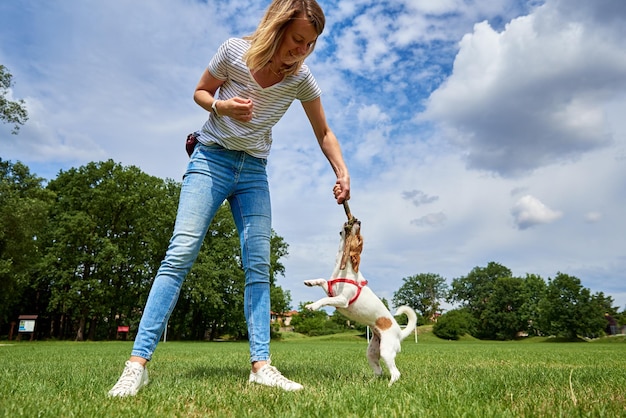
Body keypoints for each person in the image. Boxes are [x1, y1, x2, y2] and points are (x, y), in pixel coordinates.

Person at [108, 0, 350, 397]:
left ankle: (261, 365)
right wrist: (222, 105)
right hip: (211, 159)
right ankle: (137, 365)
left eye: (310, 44)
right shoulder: (234, 52)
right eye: (296, 40)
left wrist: (341, 171)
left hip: (253, 170)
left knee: (258, 263)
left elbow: (324, 132)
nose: (301, 51)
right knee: (181, 252)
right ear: (276, 28)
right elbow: (200, 92)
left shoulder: (301, 78)